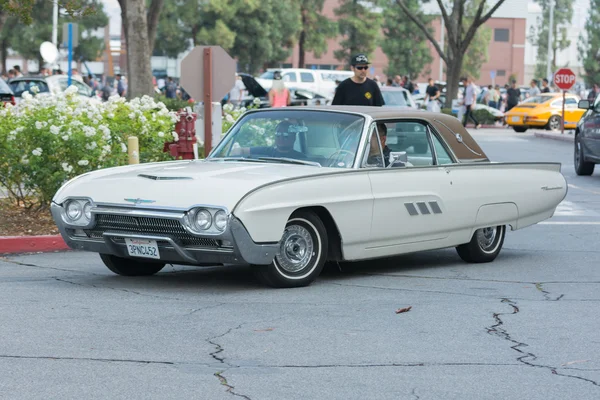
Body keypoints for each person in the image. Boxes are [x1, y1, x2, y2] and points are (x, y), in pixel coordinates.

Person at [231, 120, 306, 159]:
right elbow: (241, 150)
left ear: (293, 138)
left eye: (285, 135)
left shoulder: (301, 158)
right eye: (278, 134)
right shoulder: (266, 152)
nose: (281, 138)